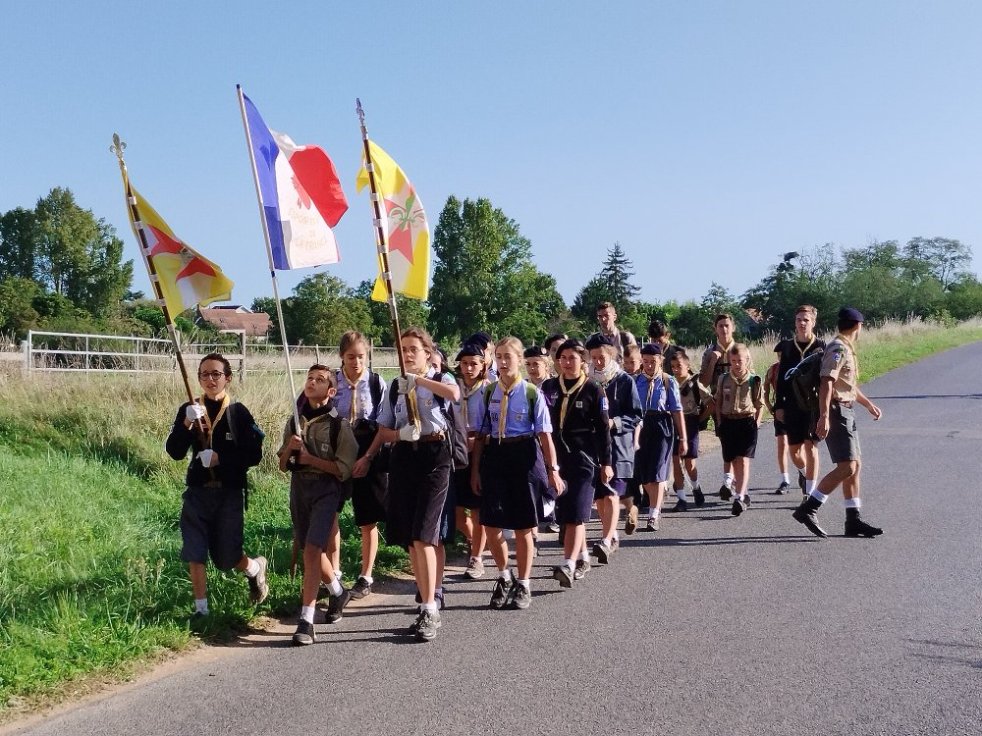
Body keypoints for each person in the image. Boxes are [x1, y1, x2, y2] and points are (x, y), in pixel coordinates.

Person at [352, 327, 460, 642]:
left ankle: (430, 607)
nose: (408, 354)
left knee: (425, 535)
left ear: (428, 353)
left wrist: (418, 381)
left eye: (414, 349)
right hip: (403, 459)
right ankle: (425, 601)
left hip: (435, 458)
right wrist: (395, 437)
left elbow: (454, 395)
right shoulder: (394, 387)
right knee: (412, 539)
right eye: (403, 349)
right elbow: (384, 428)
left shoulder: (440, 378)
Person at [166, 353, 267, 621]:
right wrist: (186, 423)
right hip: (197, 491)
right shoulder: (189, 409)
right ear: (198, 378)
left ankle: (255, 569)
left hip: (229, 493)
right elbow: (175, 451)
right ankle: (201, 611)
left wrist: (222, 459)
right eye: (204, 374)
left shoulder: (238, 413)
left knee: (226, 558)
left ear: (228, 378)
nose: (210, 379)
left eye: (216, 374)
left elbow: (254, 455)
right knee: (195, 550)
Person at [471, 337, 561, 609]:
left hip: (524, 455)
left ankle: (523, 582)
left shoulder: (532, 393)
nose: (502, 362)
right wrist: (475, 471)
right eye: (498, 356)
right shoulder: (488, 392)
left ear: (519, 360)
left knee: (523, 526)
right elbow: (481, 436)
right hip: (496, 455)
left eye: (508, 356)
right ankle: (504, 575)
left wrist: (553, 470)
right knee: (491, 523)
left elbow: (545, 436)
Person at [279, 365, 359, 646]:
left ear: (331, 391)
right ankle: (338, 591)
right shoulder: (295, 420)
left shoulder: (339, 426)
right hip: (299, 489)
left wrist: (311, 459)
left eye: (320, 380)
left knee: (313, 550)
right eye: (310, 378)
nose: (312, 382)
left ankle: (306, 620)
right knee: (308, 549)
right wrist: (290, 449)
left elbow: (343, 470)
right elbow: (282, 465)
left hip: (326, 490)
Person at [793, 308, 883, 538]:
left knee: (855, 465)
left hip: (846, 409)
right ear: (858, 326)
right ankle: (809, 508)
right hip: (836, 411)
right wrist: (824, 416)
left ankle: (853, 520)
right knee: (847, 466)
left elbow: (846, 384)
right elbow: (827, 383)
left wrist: (868, 404)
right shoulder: (838, 348)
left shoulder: (846, 347)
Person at [540, 339, 612, 585]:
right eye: (563, 358)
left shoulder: (593, 389)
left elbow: (603, 429)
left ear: (583, 361)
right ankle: (582, 558)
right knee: (567, 513)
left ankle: (568, 564)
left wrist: (606, 462)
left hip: (584, 459)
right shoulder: (549, 387)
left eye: (572, 358)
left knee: (576, 513)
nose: (567, 362)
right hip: (556, 458)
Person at [327, 332, 389, 601]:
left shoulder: (375, 382)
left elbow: (384, 423)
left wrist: (368, 457)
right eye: (350, 356)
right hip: (338, 452)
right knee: (331, 513)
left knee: (367, 518)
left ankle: (366, 576)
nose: (356, 362)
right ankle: (334, 574)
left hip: (368, 451)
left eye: (361, 356)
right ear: (342, 356)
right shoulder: (332, 381)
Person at [586, 334, 641, 563]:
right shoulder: (587, 381)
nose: (598, 362)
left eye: (602, 357)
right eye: (594, 358)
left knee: (611, 494)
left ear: (611, 355)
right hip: (593, 448)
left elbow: (635, 415)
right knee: (600, 497)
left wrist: (613, 423)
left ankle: (607, 540)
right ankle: (612, 534)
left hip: (618, 447)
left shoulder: (624, 381)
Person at [773, 305, 826, 498]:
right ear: (795, 322)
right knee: (794, 451)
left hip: (813, 405)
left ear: (813, 322)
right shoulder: (787, 347)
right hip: (792, 404)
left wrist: (826, 409)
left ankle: (809, 494)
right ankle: (804, 474)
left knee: (811, 446)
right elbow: (781, 379)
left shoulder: (821, 346)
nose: (802, 323)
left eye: (806, 320)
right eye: (799, 320)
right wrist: (779, 406)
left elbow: (827, 379)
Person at [635, 344, 686, 531]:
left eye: (653, 362)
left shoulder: (668, 381)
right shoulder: (635, 381)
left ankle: (653, 515)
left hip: (661, 426)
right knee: (644, 475)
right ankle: (658, 492)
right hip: (640, 426)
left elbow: (676, 410)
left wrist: (683, 438)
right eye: (646, 361)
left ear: (661, 361)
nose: (649, 365)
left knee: (657, 471)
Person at [713, 344, 764, 516]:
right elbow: (718, 402)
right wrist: (719, 421)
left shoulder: (754, 380)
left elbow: (759, 404)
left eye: (739, 361)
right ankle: (740, 491)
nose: (736, 364)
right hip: (728, 422)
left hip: (746, 422)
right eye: (733, 361)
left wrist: (757, 423)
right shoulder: (723, 379)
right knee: (733, 459)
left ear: (747, 360)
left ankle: (740, 497)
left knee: (743, 460)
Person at [454, 343, 490, 579]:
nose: (468, 368)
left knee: (477, 508)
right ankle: (471, 538)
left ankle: (476, 558)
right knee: (456, 510)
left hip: (481, 449)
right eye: (464, 363)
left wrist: (477, 440)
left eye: (473, 364)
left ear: (482, 365)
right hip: (457, 451)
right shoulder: (453, 387)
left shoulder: (488, 389)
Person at [700, 313, 737, 499]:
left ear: (733, 328)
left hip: (740, 405)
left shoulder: (740, 350)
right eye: (720, 326)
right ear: (715, 329)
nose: (724, 329)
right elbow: (703, 382)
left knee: (738, 445)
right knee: (726, 443)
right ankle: (729, 480)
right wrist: (713, 362)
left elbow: (751, 377)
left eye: (727, 325)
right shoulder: (709, 352)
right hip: (719, 405)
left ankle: (731, 480)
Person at [669, 349, 711, 509]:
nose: (675, 369)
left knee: (689, 463)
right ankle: (681, 498)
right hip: (674, 423)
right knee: (675, 461)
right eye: (673, 366)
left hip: (690, 422)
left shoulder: (695, 384)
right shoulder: (669, 383)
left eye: (679, 366)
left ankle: (696, 487)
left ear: (687, 366)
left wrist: (699, 419)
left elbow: (711, 403)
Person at [764, 360, 793, 494]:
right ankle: (785, 480)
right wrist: (768, 404)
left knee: (799, 446)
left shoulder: (797, 364)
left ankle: (803, 472)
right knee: (782, 444)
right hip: (780, 408)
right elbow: (765, 386)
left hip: (797, 409)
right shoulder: (774, 369)